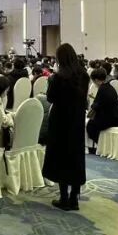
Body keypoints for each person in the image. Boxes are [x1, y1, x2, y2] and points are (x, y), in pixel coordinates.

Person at [42, 43, 90, 212]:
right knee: (75, 156)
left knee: (60, 156)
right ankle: (74, 198)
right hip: (77, 120)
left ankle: (64, 198)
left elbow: (50, 98)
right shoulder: (84, 75)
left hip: (60, 120)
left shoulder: (58, 77)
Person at [85, 67, 118, 150]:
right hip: (115, 116)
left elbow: (95, 106)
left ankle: (101, 146)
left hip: (108, 119)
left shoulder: (102, 89)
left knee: (90, 126)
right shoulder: (110, 87)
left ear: (96, 80)